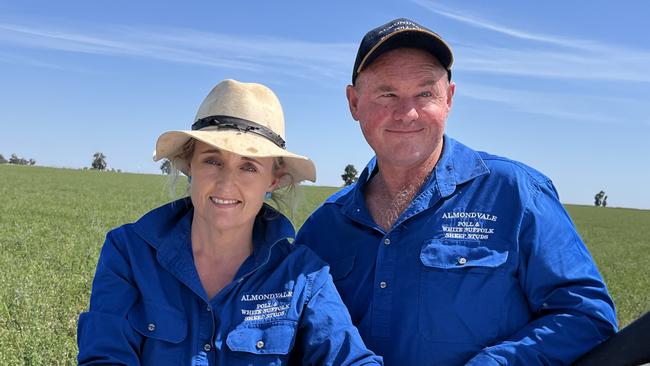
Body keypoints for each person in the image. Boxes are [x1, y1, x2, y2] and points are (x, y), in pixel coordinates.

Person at [296, 18, 617, 365]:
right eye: (387, 93)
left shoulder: (515, 193)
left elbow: (586, 317)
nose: (407, 113)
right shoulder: (323, 228)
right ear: (354, 102)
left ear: (448, 98)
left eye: (425, 93)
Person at [77, 79, 382, 365]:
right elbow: (105, 355)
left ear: (273, 180)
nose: (226, 183)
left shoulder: (302, 276)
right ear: (189, 166)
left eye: (248, 167)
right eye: (213, 160)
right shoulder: (130, 254)